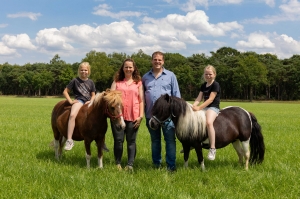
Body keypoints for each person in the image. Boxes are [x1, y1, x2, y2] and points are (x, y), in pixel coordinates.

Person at [142, 51, 181, 172]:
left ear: (163, 61)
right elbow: (141, 96)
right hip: (151, 115)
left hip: (168, 117)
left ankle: (171, 166)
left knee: (170, 140)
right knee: (155, 141)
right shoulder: (145, 77)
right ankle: (156, 165)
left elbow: (176, 96)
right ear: (151, 61)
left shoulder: (170, 76)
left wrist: (177, 116)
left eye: (159, 60)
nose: (157, 62)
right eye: (155, 59)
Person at [110, 58, 144, 171]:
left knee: (131, 141)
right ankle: (118, 163)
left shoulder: (138, 82)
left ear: (134, 69)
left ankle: (130, 165)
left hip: (133, 116)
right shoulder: (116, 82)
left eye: (130, 67)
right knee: (118, 141)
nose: (128, 69)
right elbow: (110, 99)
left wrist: (141, 116)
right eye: (126, 67)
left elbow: (141, 100)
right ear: (122, 68)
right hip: (118, 117)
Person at [63, 62, 96, 150]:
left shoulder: (91, 82)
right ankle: (69, 140)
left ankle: (100, 141)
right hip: (79, 101)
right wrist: (70, 101)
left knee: (99, 117)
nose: (83, 71)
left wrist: (91, 101)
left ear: (88, 71)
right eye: (81, 70)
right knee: (72, 115)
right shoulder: (75, 81)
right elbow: (65, 91)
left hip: (89, 102)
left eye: (85, 70)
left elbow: (93, 95)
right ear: (79, 71)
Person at [191, 65, 220, 160]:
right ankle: (193, 143)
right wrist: (193, 105)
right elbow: (199, 97)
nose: (208, 76)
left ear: (214, 74)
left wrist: (199, 107)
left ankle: (212, 148)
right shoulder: (203, 85)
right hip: (205, 107)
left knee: (208, 122)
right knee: (193, 120)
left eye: (210, 74)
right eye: (206, 74)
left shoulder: (215, 85)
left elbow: (211, 99)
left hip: (213, 108)